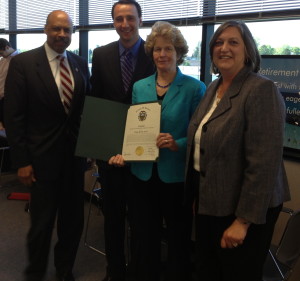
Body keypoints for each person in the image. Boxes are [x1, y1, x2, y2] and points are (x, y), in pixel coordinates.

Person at [185, 20, 290, 281]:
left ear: (248, 51)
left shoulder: (261, 90)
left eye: (233, 42)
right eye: (218, 43)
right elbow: (203, 144)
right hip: (212, 199)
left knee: (237, 273)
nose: (224, 48)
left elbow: (264, 164)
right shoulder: (213, 88)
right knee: (209, 270)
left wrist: (243, 221)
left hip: (244, 209)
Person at [109, 21, 206, 281]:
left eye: (169, 49)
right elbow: (133, 127)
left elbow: (202, 134)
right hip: (142, 175)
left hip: (175, 176)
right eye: (157, 49)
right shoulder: (140, 87)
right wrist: (123, 153)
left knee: (178, 238)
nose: (162, 54)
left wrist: (178, 143)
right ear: (151, 53)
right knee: (144, 237)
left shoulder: (195, 88)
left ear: (179, 53)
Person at [4, 10, 90, 281]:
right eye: (56, 29)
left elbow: (84, 110)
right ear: (45, 29)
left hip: (74, 160)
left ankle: (64, 270)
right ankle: (36, 272)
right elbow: (14, 116)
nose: (62, 35)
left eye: (67, 30)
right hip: (40, 162)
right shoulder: (25, 63)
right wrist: (22, 162)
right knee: (41, 225)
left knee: (72, 223)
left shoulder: (78, 63)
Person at [90, 1, 155, 281]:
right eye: (119, 19)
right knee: (113, 218)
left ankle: (140, 272)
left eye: (130, 18)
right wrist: (101, 150)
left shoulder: (155, 53)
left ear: (140, 20)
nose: (125, 24)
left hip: (144, 153)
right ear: (113, 22)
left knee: (142, 220)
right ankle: (114, 271)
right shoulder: (101, 54)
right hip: (111, 154)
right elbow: (97, 102)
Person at [0, 38, 19, 129]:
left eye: (1, 53)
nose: (0, 55)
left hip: (13, 99)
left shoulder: (21, 59)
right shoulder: (2, 61)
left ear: (7, 47)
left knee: (13, 125)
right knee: (5, 123)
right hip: (2, 99)